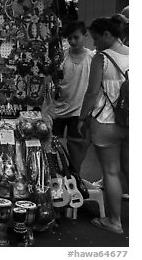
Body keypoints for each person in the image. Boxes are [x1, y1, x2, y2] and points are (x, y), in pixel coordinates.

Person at [77, 16, 129, 234]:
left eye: (96, 39)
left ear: (107, 35)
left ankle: (115, 221)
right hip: (130, 119)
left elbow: (91, 93)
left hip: (107, 121)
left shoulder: (102, 58)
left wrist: (82, 117)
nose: (94, 44)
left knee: (111, 172)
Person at [51, 21, 94, 173]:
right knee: (52, 146)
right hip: (57, 110)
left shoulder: (93, 58)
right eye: (69, 38)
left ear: (85, 35)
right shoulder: (61, 56)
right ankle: (55, 178)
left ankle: (75, 177)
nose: (73, 41)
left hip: (79, 112)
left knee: (76, 147)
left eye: (76, 37)